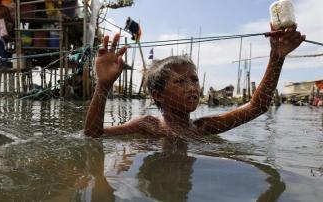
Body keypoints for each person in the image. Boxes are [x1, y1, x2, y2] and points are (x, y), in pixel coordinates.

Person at [84, 25, 305, 138]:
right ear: (158, 95)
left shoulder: (203, 127)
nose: (192, 87)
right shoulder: (148, 125)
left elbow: (257, 106)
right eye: (180, 82)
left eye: (195, 80)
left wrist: (276, 57)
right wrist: (103, 86)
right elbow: (93, 135)